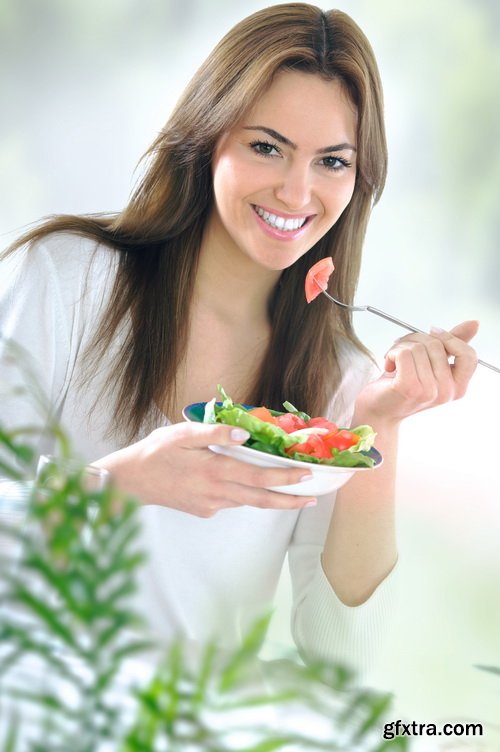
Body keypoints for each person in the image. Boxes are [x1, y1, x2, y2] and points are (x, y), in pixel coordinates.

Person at [0, 4, 478, 674]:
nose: (296, 190)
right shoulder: (65, 278)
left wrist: (378, 429)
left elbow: (342, 654)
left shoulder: (341, 380)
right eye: (267, 146)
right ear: (207, 137)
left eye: (332, 161)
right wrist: (119, 484)